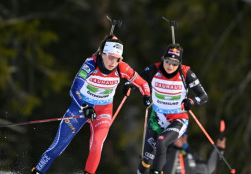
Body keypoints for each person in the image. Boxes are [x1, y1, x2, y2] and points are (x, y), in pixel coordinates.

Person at [31, 35, 151, 174]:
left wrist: (146, 96)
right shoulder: (90, 64)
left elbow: (142, 83)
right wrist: (84, 107)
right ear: (103, 54)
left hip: (103, 110)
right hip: (80, 107)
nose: (113, 62)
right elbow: (74, 89)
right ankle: (37, 171)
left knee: (97, 144)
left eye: (117, 59)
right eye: (110, 57)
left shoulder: (122, 68)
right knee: (58, 146)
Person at [125, 43, 208, 174]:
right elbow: (138, 81)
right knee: (146, 160)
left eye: (175, 64)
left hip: (178, 119)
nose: (170, 66)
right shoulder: (154, 69)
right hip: (157, 119)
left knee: (161, 143)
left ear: (179, 63)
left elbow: (203, 96)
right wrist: (130, 86)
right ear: (163, 59)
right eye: (168, 61)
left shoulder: (185, 73)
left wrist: (191, 101)